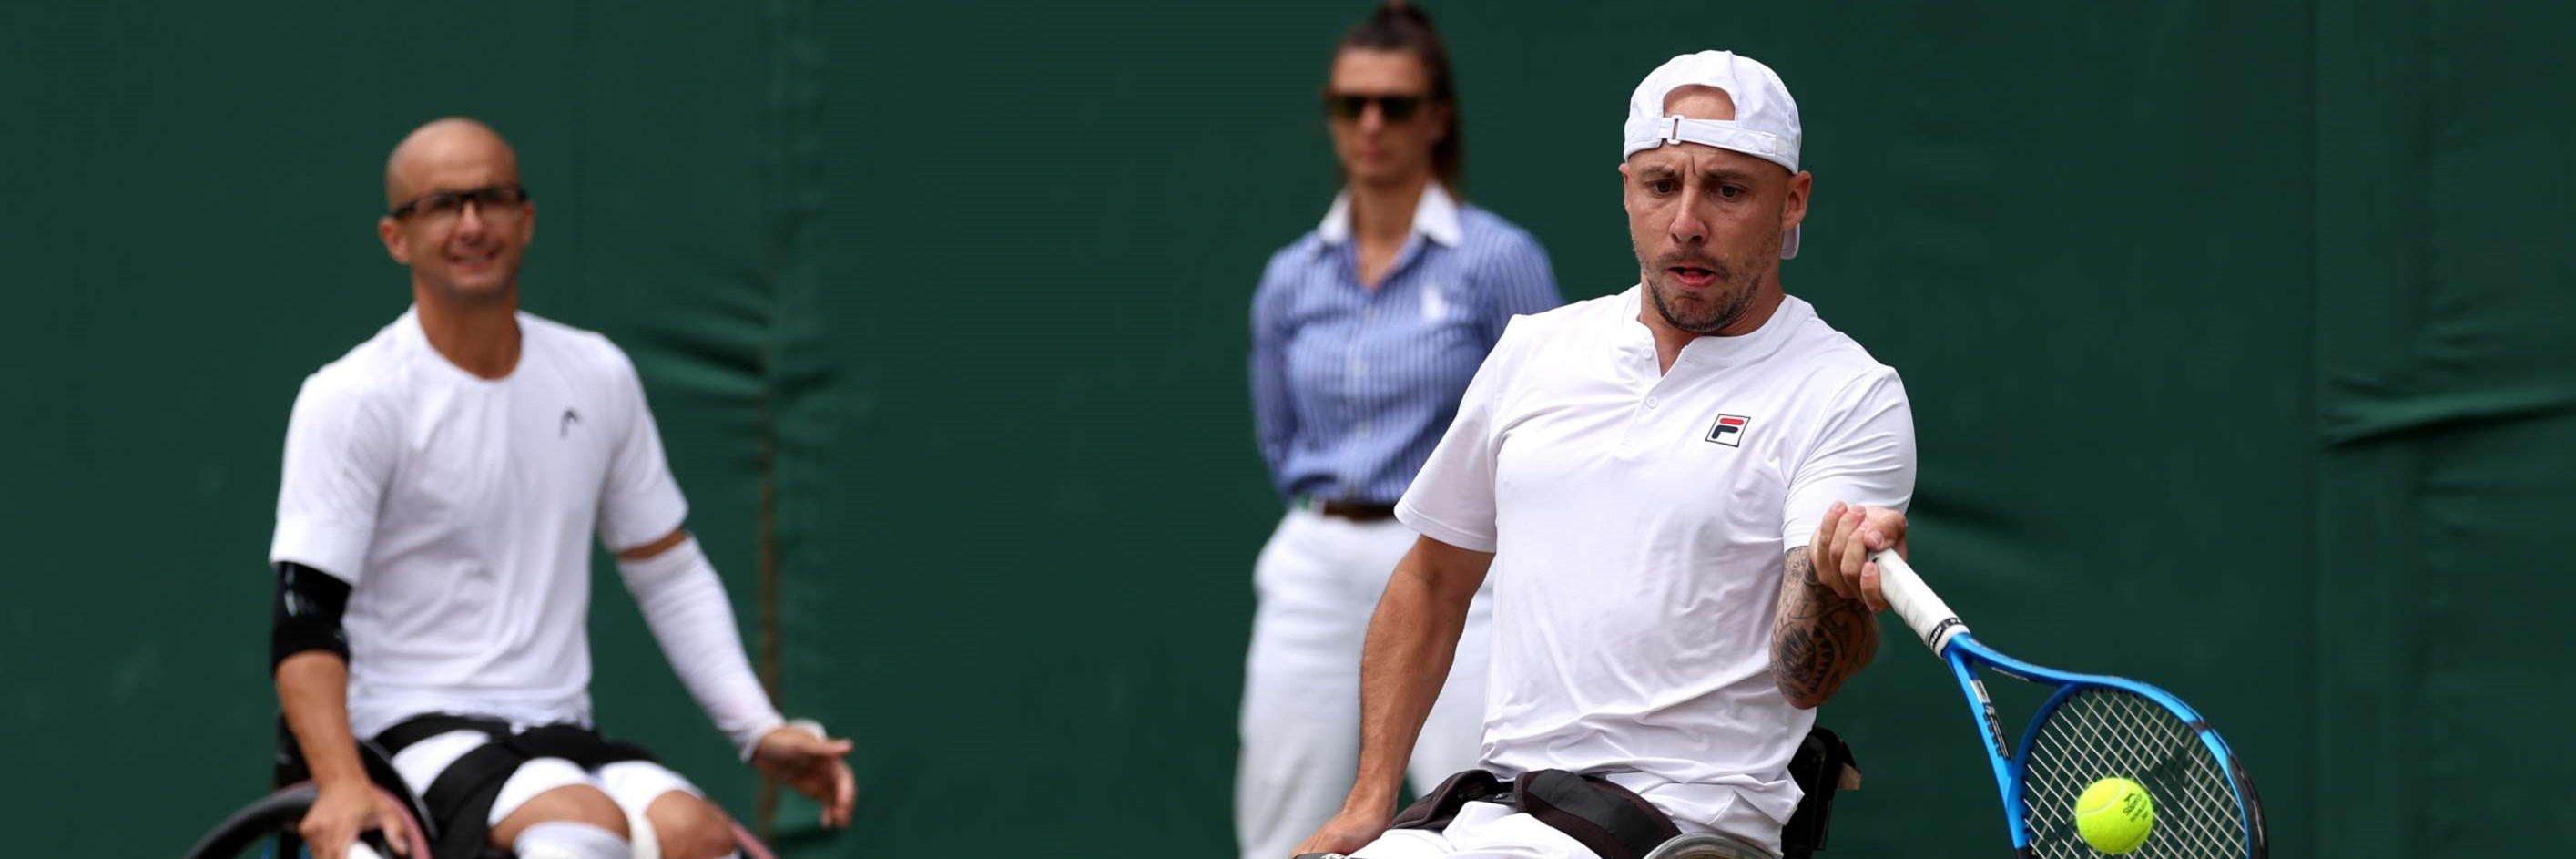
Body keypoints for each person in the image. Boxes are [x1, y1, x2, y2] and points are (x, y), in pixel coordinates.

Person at [1290, 51, 1916, 859]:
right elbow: (1433, 580)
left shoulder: (1846, 392)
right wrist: (1369, 801)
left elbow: (1805, 675)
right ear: (1626, 189)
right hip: (1497, 813)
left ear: (1792, 200)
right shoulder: (1535, 349)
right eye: (1661, 185)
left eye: (1727, 190)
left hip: (1683, 831)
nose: (1687, 221)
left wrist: (1836, 589)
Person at [269, 118, 855, 859]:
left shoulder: (596, 373)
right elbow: (304, 616)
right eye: (442, 204)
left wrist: (757, 728)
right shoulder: (355, 396)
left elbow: (668, 571)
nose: (472, 224)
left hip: (557, 729)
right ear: (396, 237)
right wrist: (340, 783)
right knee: (579, 825)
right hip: (404, 731)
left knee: (697, 834)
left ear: (527, 219)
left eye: (492, 198)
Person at [1239, 5, 1564, 859]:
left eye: (1395, 103)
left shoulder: (1498, 260)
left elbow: (1550, 424)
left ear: (1437, 117)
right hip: (1316, 557)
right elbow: (1280, 436)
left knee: (1474, 819)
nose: (1371, 124)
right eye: (1351, 104)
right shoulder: (1290, 277)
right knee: (1281, 821)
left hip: (1453, 563)